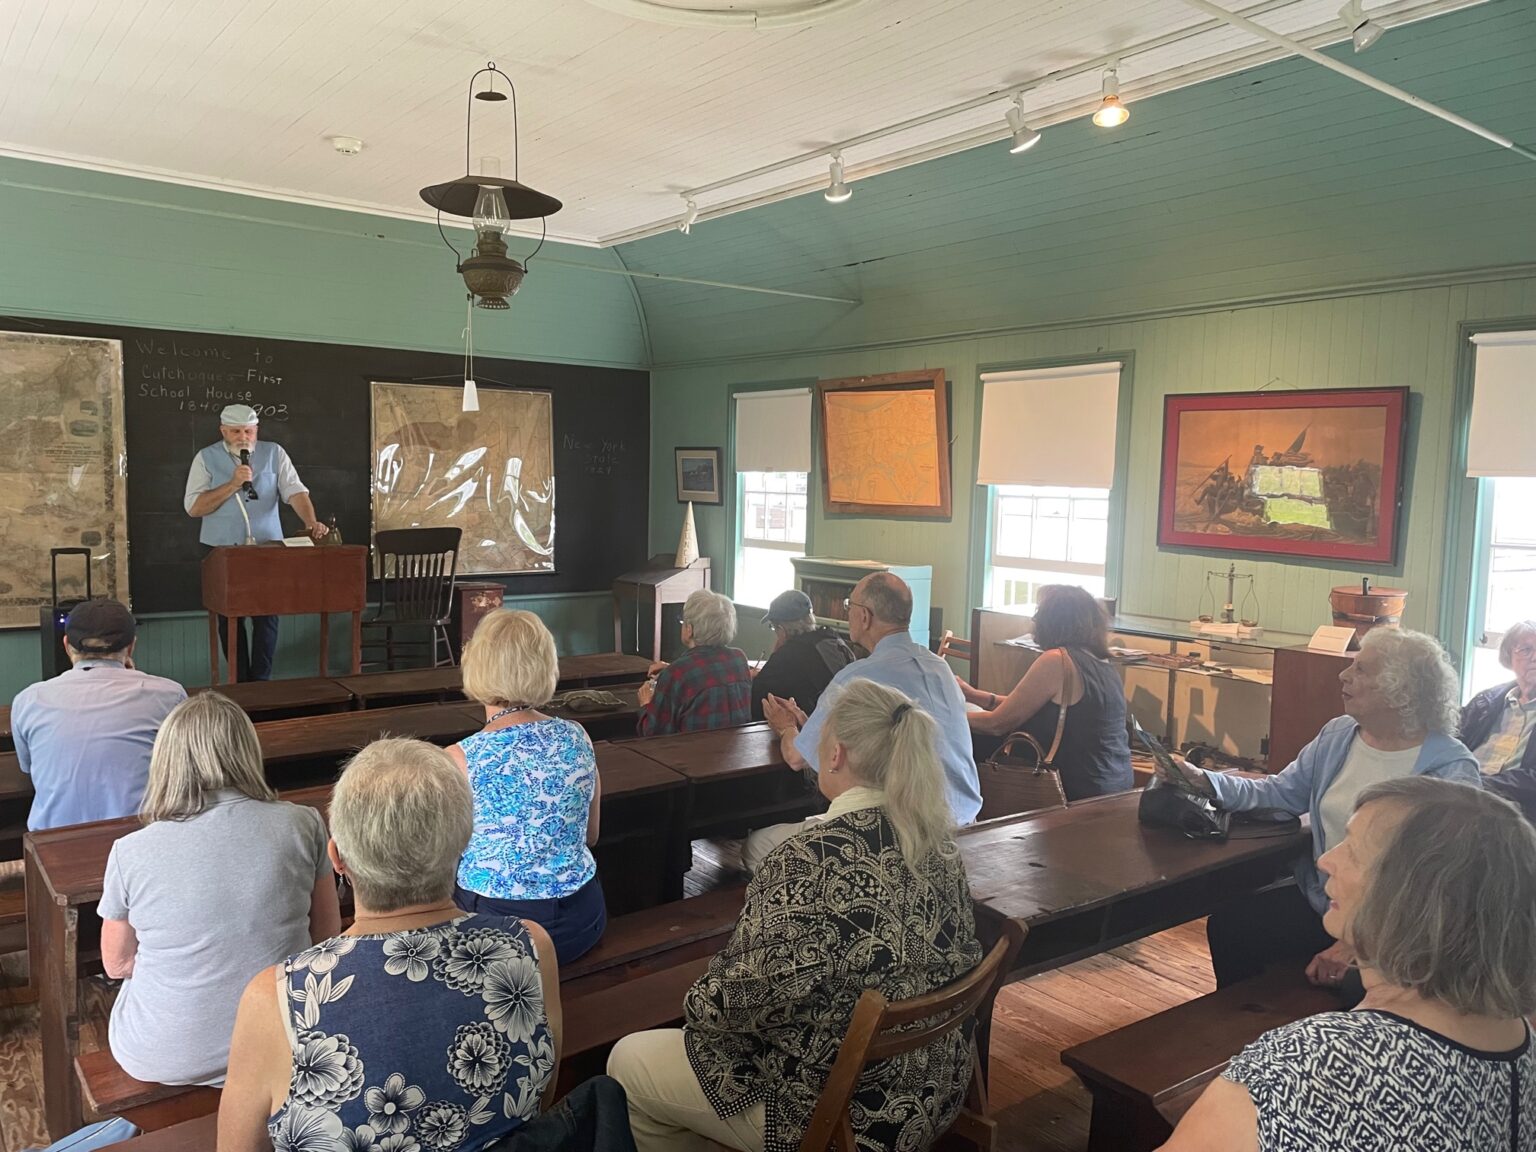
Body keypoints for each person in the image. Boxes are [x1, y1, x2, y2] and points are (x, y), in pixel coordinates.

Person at [608, 679, 984, 1152]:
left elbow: (733, 1002)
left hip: (846, 1118)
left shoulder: (807, 858)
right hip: (934, 1085)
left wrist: (699, 1005)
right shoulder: (939, 845)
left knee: (630, 1060)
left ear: (836, 755)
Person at [218, 737, 563, 1152]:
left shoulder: (277, 998)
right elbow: (540, 1101)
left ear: (337, 858)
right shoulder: (530, 947)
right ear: (465, 843)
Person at [1160, 777, 1536, 1151]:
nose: (1326, 860)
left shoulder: (1313, 1063)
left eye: (1353, 850)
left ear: (1412, 899)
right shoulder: (1518, 1037)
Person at [1163, 627, 1480, 990]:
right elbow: (1280, 793)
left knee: (1352, 989)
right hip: (1325, 902)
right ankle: (1252, 1028)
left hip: (1395, 931)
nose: (1344, 675)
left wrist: (1354, 944)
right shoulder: (1339, 734)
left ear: (1400, 690)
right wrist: (1205, 780)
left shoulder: (1450, 770)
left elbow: (1439, 887)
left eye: (1362, 670)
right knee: (1230, 925)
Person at [749, 572, 981, 873]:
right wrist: (810, 724)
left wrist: (786, 727)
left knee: (754, 847)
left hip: (900, 835)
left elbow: (795, 758)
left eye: (849, 605)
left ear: (864, 616)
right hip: (967, 825)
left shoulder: (858, 677)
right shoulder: (941, 669)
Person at [449, 608, 606, 966]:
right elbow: (591, 836)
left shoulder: (458, 759)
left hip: (498, 934)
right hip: (582, 921)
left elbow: (441, 865)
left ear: (476, 665)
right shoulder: (577, 736)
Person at [184, 403, 329, 681]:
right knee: (230, 619)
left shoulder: (274, 453)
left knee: (267, 618)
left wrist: (310, 522)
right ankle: (239, 683)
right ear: (223, 430)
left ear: (256, 430)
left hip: (267, 551)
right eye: (236, 431)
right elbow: (194, 508)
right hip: (222, 552)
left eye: (248, 431)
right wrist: (232, 484)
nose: (243, 437)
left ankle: (261, 683)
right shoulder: (205, 458)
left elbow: (295, 492)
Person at [12, 598, 185, 831]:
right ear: (132, 646)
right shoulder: (169, 695)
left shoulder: (28, 700)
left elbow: (29, 768)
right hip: (138, 842)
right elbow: (183, 770)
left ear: (66, 645)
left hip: (54, 846)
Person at [957, 584, 1133, 799]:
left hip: (1073, 790)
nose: (1034, 620)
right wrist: (974, 695)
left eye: (1039, 612)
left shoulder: (1057, 660)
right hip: (1114, 786)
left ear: (1053, 620)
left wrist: (944, 716)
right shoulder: (1103, 663)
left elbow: (997, 724)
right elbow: (1030, 705)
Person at [637, 589, 752, 735]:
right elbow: (708, 672)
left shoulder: (677, 673)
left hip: (690, 756)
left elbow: (652, 733)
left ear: (689, 630)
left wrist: (646, 704)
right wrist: (670, 669)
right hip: (736, 752)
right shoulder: (738, 658)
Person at [1462, 619, 1536, 819]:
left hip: (1516, 807)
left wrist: (1481, 785)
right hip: (1461, 792)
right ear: (1509, 657)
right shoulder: (1486, 701)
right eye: (1526, 650)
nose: (1535, 657)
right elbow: (1452, 740)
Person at [748, 589, 856, 722]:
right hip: (847, 722)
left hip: (810, 731)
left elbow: (758, 701)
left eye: (774, 627)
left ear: (782, 629)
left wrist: (777, 653)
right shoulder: (835, 640)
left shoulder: (787, 657)